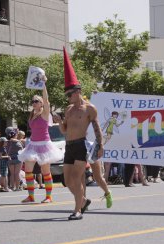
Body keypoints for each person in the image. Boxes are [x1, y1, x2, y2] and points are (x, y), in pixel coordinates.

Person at [53, 47, 103, 220]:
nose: (68, 97)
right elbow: (64, 130)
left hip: (81, 145)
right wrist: (59, 122)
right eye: (67, 94)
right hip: (69, 146)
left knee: (76, 177)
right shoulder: (68, 109)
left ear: (78, 91)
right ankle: (82, 201)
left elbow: (97, 127)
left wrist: (100, 147)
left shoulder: (89, 108)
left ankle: (77, 211)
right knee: (66, 181)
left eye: (70, 94)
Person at [18, 76, 63, 203]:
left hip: (44, 145)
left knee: (45, 171)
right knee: (28, 170)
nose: (34, 103)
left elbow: (47, 101)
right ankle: (31, 196)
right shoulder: (32, 114)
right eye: (33, 101)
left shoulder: (44, 112)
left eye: (36, 101)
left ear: (41, 103)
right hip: (32, 145)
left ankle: (48, 196)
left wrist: (43, 84)